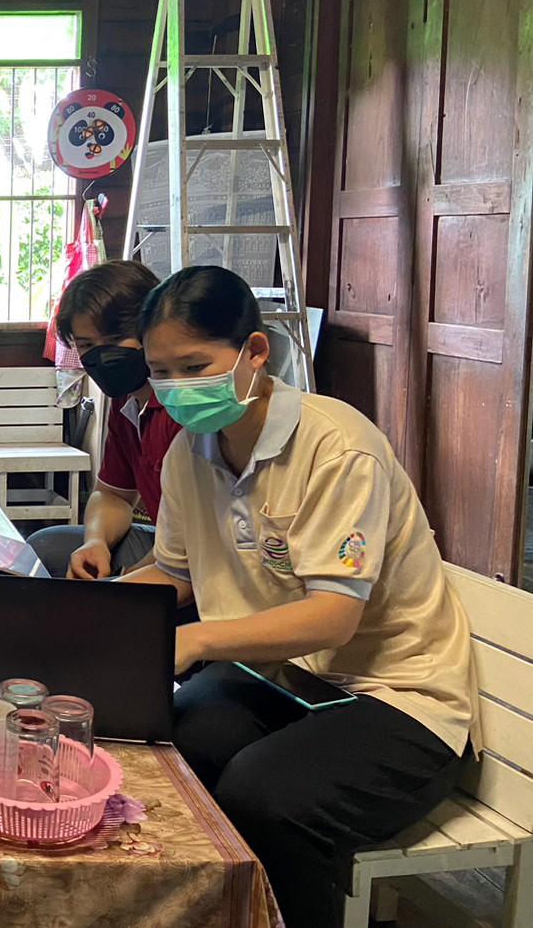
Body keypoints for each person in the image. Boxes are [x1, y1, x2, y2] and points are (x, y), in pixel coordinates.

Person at [122, 264, 478, 926]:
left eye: (194, 366)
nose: (177, 388)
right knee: (166, 748)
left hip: (397, 697)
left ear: (255, 351)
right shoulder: (189, 454)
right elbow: (172, 572)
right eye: (160, 371)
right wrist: (80, 613)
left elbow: (333, 616)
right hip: (283, 681)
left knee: (263, 795)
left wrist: (197, 638)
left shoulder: (336, 446)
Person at [26, 261, 183, 578]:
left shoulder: (183, 408)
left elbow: (193, 543)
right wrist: (95, 541)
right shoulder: (126, 401)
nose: (101, 355)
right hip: (167, 541)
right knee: (45, 546)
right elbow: (113, 495)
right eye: (86, 345)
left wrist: (124, 582)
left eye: (114, 338)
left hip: (202, 554)